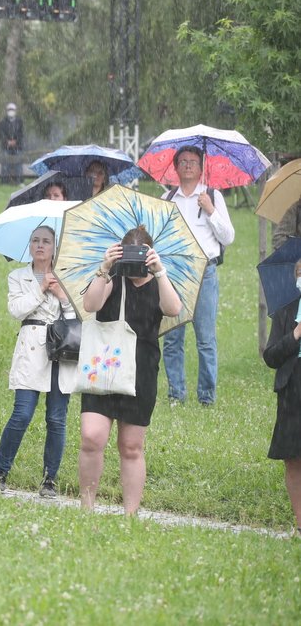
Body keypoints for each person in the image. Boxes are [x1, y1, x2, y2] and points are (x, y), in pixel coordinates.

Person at [77, 226, 182, 514]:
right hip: (104, 365)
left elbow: (174, 309)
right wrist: (105, 267)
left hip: (141, 371)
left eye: (141, 256)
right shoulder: (113, 277)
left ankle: (130, 516)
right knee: (91, 436)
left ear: (149, 254)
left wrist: (159, 271)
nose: (135, 265)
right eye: (130, 256)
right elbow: (90, 304)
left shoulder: (159, 280)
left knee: (131, 446)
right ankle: (86, 509)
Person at [0, 226, 76, 497]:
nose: (40, 245)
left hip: (62, 349)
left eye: (46, 241)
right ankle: (1, 471)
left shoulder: (68, 277)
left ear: (54, 247)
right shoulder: (18, 277)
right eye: (35, 240)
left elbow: (78, 316)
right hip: (31, 348)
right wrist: (40, 288)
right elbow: (16, 310)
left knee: (56, 418)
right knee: (22, 413)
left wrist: (62, 296)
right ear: (29, 245)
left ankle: (50, 478)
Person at [161, 145, 234, 407]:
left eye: (193, 161)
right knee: (172, 338)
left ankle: (206, 397)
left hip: (205, 271)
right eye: (183, 161)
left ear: (201, 167)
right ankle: (176, 394)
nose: (188, 165)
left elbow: (228, 237)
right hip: (174, 274)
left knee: (205, 339)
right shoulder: (167, 198)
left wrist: (211, 210)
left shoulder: (212, 196)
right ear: (176, 167)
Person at [261, 259, 301, 537]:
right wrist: (296, 334)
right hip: (292, 388)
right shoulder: (285, 310)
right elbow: (271, 356)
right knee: (293, 457)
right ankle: (300, 522)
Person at [0, 102, 24, 185]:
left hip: (17, 146)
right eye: (9, 109)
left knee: (18, 164)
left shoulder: (20, 121)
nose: (11, 111)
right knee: (5, 164)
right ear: (6, 110)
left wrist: (15, 141)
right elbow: (1, 134)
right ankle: (4, 181)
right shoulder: (3, 122)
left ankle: (19, 181)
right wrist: (7, 141)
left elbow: (21, 133)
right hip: (6, 146)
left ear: (15, 111)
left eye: (12, 109)